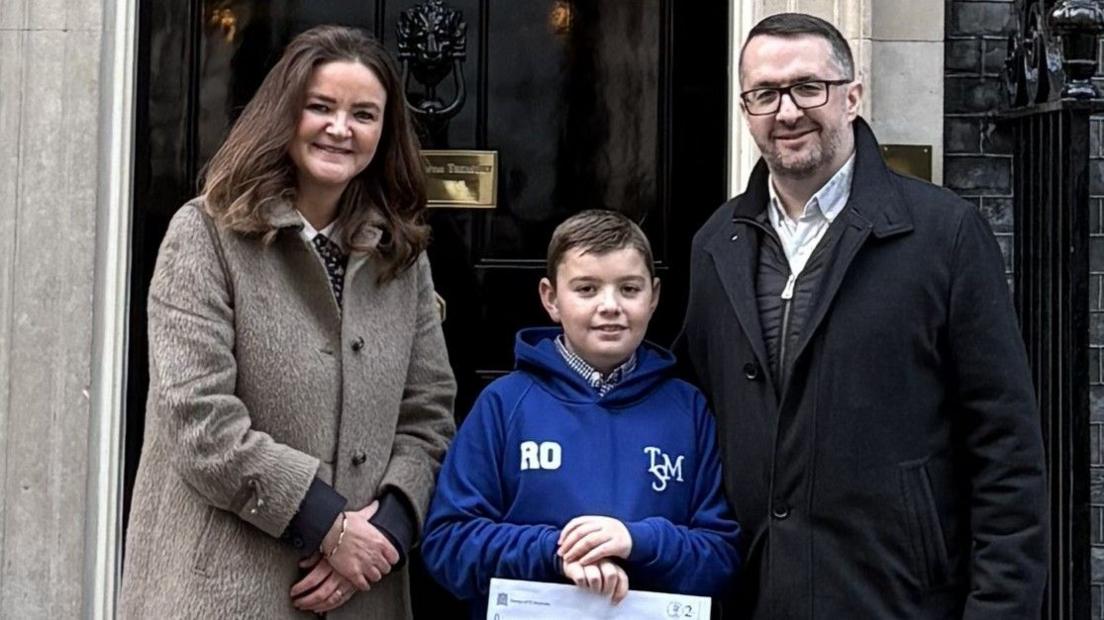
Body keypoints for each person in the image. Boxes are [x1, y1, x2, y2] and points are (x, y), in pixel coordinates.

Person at [675, 12, 1048, 619]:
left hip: (895, 600)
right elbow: (688, 417)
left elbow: (1006, 453)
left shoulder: (945, 236)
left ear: (852, 96)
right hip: (750, 594)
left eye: (807, 88)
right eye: (765, 94)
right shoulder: (716, 244)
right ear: (746, 110)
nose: (787, 111)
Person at [119, 25, 456, 619]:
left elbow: (428, 412)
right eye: (320, 107)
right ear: (284, 113)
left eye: (364, 114)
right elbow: (199, 418)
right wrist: (328, 527)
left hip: (364, 594)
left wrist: (389, 531)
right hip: (223, 592)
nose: (340, 128)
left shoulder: (401, 257)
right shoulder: (204, 235)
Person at [420, 210, 742, 618]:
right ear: (551, 298)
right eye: (587, 289)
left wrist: (637, 542)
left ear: (655, 296)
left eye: (629, 289)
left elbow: (722, 557)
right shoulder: (502, 405)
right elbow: (448, 545)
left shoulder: (688, 409)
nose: (610, 306)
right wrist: (557, 552)